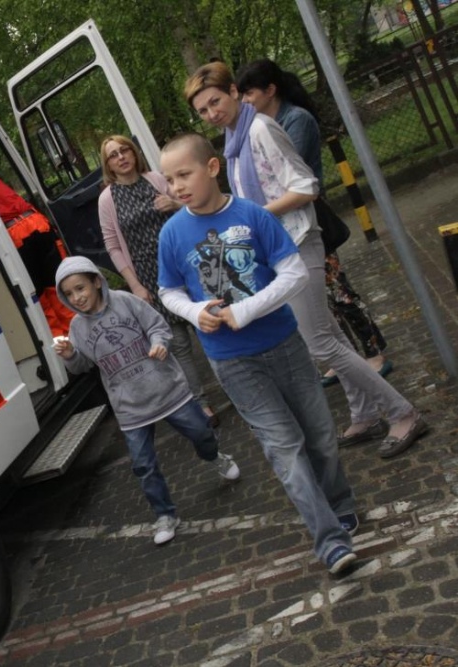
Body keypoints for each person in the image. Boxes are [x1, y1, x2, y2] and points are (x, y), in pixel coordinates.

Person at [184, 61, 426, 460]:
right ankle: (365, 414)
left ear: (233, 92)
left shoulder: (259, 129)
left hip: (299, 241)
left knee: (319, 342)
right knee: (328, 334)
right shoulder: (234, 142)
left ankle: (403, 412)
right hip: (279, 248)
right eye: (202, 111)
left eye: (215, 102)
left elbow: (306, 186)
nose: (212, 113)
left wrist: (257, 217)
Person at [156, 132, 357, 574]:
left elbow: (294, 273)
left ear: (212, 168)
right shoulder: (171, 234)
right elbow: (168, 291)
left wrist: (245, 310)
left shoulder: (252, 215)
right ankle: (330, 542)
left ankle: (340, 502)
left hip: (285, 346)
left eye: (184, 174)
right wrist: (194, 312)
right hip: (233, 363)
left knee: (320, 437)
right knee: (285, 449)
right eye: (169, 180)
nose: (176, 186)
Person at [53, 254, 241, 546]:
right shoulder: (78, 327)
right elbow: (82, 365)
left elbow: (158, 326)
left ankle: (214, 457)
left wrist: (159, 343)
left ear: (96, 282)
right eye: (68, 294)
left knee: (201, 432)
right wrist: (69, 356)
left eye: (80, 288)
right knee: (143, 465)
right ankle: (165, 514)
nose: (76, 297)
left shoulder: (125, 301)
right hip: (130, 408)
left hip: (167, 390)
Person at [234, 59, 391, 386]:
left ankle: (374, 351)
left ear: (270, 90)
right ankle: (342, 356)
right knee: (320, 301)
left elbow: (291, 173)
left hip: (308, 218)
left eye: (249, 93)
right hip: (283, 223)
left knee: (338, 289)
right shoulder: (257, 126)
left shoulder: (295, 120)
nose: (245, 100)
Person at [97, 135, 220, 427]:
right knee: (179, 344)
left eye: (124, 150)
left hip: (183, 265)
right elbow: (113, 246)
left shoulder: (156, 179)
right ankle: (201, 403)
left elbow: (192, 207)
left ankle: (236, 386)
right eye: (113, 155)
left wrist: (174, 204)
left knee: (211, 328)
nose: (121, 157)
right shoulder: (107, 199)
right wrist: (135, 285)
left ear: (133, 152)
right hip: (150, 277)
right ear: (108, 164)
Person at [0, 173, 75, 337]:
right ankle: (76, 331)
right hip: (36, 224)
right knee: (58, 284)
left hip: (15, 237)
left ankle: (61, 341)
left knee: (39, 295)